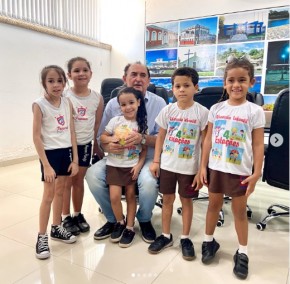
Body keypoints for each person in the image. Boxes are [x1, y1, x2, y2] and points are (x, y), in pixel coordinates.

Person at [85, 61, 167, 243]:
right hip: (117, 157)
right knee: (92, 175)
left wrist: (142, 138)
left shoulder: (159, 102)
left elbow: (164, 138)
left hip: (147, 157)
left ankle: (144, 219)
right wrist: (108, 145)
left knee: (148, 181)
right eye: (133, 74)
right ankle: (114, 220)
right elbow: (101, 137)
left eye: (143, 75)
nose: (138, 79)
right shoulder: (113, 104)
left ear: (149, 80)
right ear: (125, 79)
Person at [199, 57, 265, 279]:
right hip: (216, 167)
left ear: (251, 82)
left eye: (242, 80)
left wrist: (257, 172)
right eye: (231, 80)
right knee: (213, 206)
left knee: (239, 213)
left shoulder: (255, 111)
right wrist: (202, 166)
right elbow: (207, 140)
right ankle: (209, 242)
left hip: (240, 171)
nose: (236, 85)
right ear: (224, 83)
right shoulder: (216, 109)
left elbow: (257, 144)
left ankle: (243, 252)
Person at [148, 67, 208, 260]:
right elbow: (160, 137)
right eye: (177, 86)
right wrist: (156, 160)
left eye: (186, 85)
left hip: (189, 168)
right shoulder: (168, 110)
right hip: (167, 165)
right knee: (167, 200)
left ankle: (185, 237)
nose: (181, 90)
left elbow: (205, 142)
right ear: (172, 88)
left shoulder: (202, 113)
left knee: (186, 201)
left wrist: (201, 169)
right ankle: (166, 235)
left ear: (196, 87)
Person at [33, 65, 78, 259]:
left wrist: (75, 159)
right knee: (48, 195)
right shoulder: (39, 105)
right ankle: (41, 236)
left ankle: (56, 227)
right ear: (44, 83)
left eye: (59, 81)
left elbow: (71, 132)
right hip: (49, 154)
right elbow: (36, 137)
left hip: (65, 152)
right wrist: (46, 165)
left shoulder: (67, 102)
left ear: (64, 83)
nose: (56, 85)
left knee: (61, 192)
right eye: (51, 81)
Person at [100, 87, 148, 247]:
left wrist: (139, 166)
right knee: (114, 197)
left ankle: (129, 227)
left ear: (139, 103)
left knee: (130, 196)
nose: (128, 107)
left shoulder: (141, 125)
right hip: (114, 164)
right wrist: (112, 139)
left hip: (131, 166)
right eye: (123, 104)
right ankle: (120, 222)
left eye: (131, 103)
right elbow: (103, 137)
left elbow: (144, 150)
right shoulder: (115, 121)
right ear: (119, 106)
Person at [62, 57, 104, 235]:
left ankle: (77, 214)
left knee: (78, 181)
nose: (81, 74)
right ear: (69, 75)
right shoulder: (64, 96)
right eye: (77, 71)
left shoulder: (97, 98)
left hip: (85, 145)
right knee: (66, 182)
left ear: (91, 74)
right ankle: (66, 217)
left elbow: (97, 125)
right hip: (64, 146)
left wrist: (95, 146)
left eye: (85, 70)